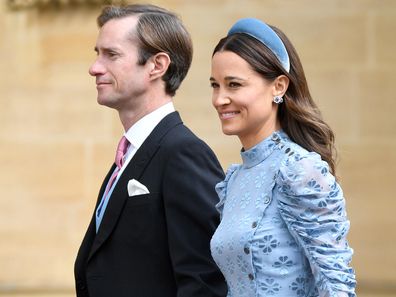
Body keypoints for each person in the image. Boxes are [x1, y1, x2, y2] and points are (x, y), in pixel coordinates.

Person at [74, 4, 227, 297]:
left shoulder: (183, 153)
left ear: (157, 65)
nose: (95, 67)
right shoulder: (131, 152)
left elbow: (205, 282)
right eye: (97, 53)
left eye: (112, 54)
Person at [209, 18, 356, 297]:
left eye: (234, 85)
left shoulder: (299, 169)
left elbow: (335, 284)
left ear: (278, 86)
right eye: (215, 85)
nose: (219, 99)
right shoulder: (234, 179)